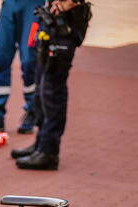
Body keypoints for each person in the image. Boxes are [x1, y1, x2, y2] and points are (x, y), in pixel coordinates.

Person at [13, 0, 92, 170]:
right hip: (51, 21)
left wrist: (67, 3)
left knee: (52, 92)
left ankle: (48, 152)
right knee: (41, 89)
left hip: (66, 22)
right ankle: (40, 145)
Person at [0, 0, 46, 134]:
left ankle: (32, 110)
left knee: (29, 61)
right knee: (0, 59)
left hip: (34, 6)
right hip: (9, 5)